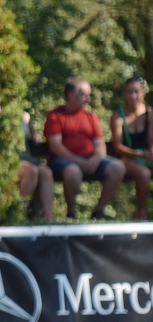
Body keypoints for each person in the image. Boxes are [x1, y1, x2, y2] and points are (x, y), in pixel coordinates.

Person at [44, 77, 126, 220]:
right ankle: (72, 212)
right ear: (70, 95)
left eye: (89, 95)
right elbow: (56, 147)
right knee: (73, 171)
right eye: (84, 95)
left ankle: (98, 212)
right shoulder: (56, 116)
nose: (88, 99)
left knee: (118, 167)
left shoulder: (91, 117)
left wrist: (95, 160)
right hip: (63, 162)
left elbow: (100, 145)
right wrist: (79, 161)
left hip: (91, 161)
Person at [110, 77, 153, 220]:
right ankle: (141, 211)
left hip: (146, 157)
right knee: (144, 173)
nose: (133, 96)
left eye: (136, 92)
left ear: (143, 93)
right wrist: (140, 155)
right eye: (129, 92)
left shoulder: (149, 114)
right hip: (127, 158)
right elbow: (118, 147)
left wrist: (150, 152)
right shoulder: (118, 116)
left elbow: (151, 141)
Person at [18, 111, 53, 221]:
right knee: (31, 171)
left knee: (46, 172)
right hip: (15, 159)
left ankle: (48, 219)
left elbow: (30, 140)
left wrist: (34, 136)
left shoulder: (25, 116)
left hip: (27, 157)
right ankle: (20, 214)